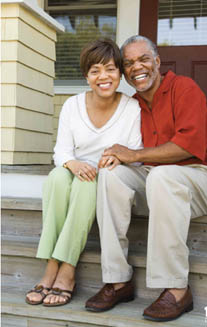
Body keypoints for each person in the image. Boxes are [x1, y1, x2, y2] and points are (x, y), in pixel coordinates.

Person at [85, 35, 207, 321]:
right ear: (125, 72)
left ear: (157, 62)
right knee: (111, 176)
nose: (137, 67)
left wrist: (134, 154)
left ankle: (177, 288)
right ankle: (117, 280)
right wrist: (113, 157)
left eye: (143, 59)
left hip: (200, 177)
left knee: (161, 176)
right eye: (128, 63)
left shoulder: (184, 89)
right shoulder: (132, 104)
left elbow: (188, 147)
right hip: (155, 181)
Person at [25, 38, 142, 307]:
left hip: (107, 177)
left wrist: (116, 159)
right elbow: (62, 151)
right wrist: (73, 164)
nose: (104, 77)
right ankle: (51, 264)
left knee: (86, 183)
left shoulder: (131, 108)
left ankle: (65, 270)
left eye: (111, 69)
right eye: (95, 71)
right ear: (86, 76)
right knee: (56, 176)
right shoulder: (72, 105)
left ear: (120, 74)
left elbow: (134, 151)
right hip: (75, 171)